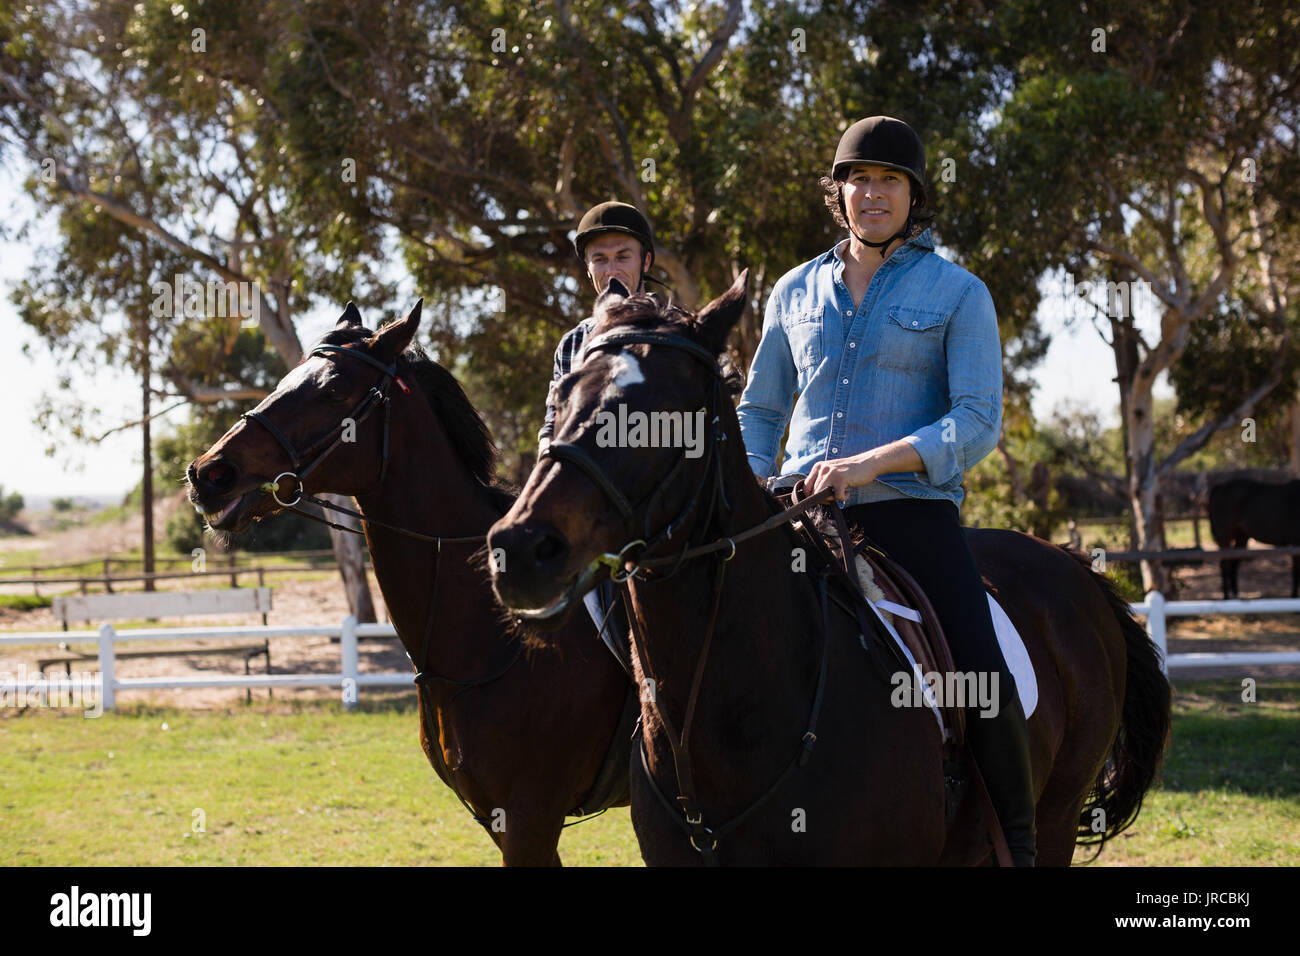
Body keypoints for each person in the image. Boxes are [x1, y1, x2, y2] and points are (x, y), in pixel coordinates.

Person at [735, 116, 1036, 865]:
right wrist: (748, 485)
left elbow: (976, 420)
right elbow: (762, 408)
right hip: (795, 518)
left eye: (889, 180)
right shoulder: (792, 290)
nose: (872, 193)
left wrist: (870, 465)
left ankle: (1018, 844)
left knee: (978, 672)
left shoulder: (959, 292)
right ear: (838, 193)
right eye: (858, 179)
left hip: (909, 517)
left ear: (914, 196)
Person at [538, 200, 657, 455]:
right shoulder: (572, 343)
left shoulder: (679, 329)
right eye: (600, 259)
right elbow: (553, 425)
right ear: (588, 268)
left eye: (623, 257)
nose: (612, 271)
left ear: (645, 261)